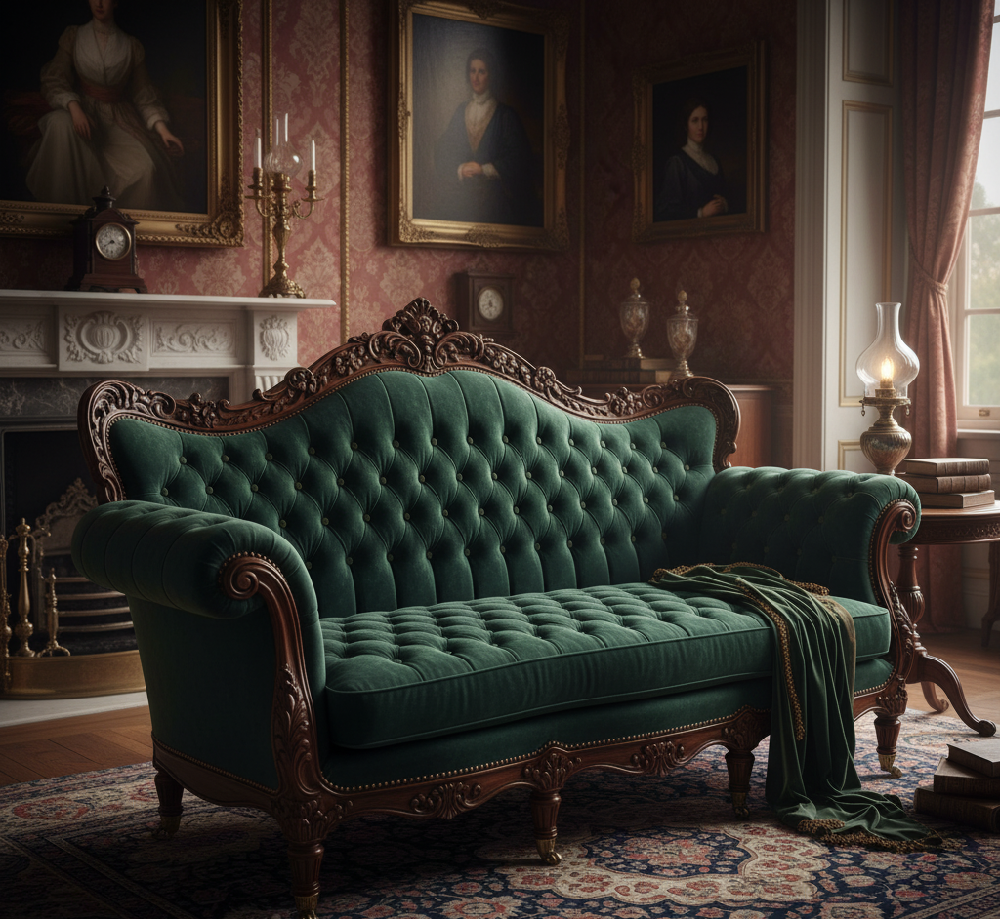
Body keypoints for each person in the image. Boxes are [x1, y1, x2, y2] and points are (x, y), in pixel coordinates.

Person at [25, 0, 186, 212]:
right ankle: (64, 215)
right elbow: (55, 78)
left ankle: (124, 224)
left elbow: (143, 94)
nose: (99, 3)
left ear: (116, 2)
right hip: (83, 112)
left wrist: (163, 130)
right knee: (60, 125)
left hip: (118, 120)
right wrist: (74, 107)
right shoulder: (74, 35)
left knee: (145, 170)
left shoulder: (131, 45)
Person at [432, 48, 539, 226]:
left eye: (482, 71)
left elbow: (520, 159)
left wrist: (483, 169)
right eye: (472, 71)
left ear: (491, 75)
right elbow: (443, 149)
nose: (476, 77)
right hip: (463, 200)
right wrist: (460, 168)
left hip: (495, 202)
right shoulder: (461, 111)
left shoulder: (506, 115)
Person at [654, 98, 728, 222]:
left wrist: (724, 204)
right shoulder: (677, 163)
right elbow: (665, 210)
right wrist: (701, 213)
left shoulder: (714, 161)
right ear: (685, 125)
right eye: (695, 120)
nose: (701, 127)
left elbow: (726, 195)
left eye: (704, 120)